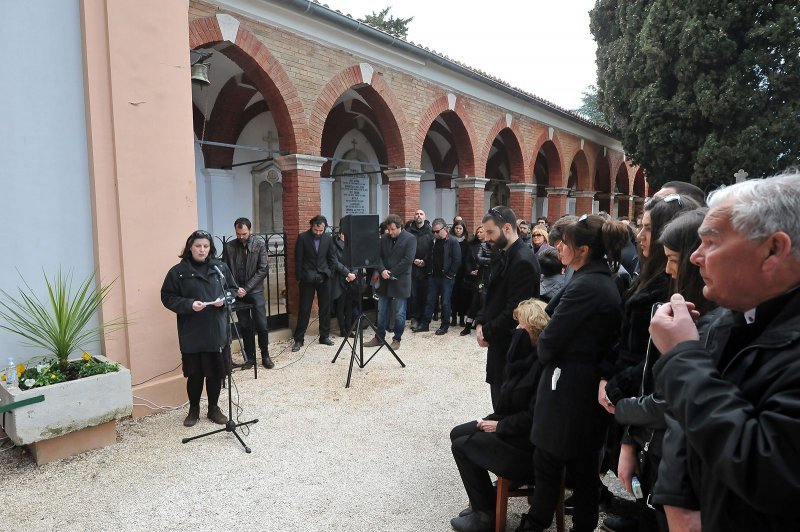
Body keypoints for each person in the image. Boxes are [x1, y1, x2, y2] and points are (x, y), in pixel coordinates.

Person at [649, 171, 800, 532]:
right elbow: (683, 421)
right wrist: (677, 499)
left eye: (711, 243)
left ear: (773, 250)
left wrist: (682, 358)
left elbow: (769, 469)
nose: (696, 258)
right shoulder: (728, 318)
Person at [518, 215, 629, 532]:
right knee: (576, 469)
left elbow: (548, 343)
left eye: (563, 243)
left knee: (565, 467)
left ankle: (537, 522)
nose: (557, 248)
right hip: (575, 381)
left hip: (573, 388)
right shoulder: (588, 277)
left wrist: (546, 345)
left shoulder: (589, 285)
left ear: (582, 249)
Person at [613, 208, 712, 532]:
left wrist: (623, 410)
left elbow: (672, 399)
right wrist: (631, 440)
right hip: (655, 447)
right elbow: (650, 375)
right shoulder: (676, 302)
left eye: (673, 258)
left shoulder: (710, 321)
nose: (669, 268)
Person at [449, 299, 549, 532]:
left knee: (462, 446)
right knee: (457, 433)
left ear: (532, 330)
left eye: (520, 326)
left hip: (528, 446)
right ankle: (483, 502)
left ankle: (485, 515)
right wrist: (494, 420)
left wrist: (499, 426)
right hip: (515, 427)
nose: (515, 331)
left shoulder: (543, 364)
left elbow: (534, 417)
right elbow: (508, 402)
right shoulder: (525, 356)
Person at [161, 230, 236, 427]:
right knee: (195, 374)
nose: (202, 250)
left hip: (216, 331)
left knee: (215, 372)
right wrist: (189, 305)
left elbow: (233, 290)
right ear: (190, 248)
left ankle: (213, 408)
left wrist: (225, 301)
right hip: (192, 331)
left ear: (210, 248)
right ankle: (193, 409)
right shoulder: (177, 272)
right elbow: (167, 297)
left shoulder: (220, 268)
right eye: (198, 246)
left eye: (206, 246)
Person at [474, 206, 539, 407]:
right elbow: (493, 294)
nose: (486, 238)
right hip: (500, 340)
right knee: (498, 392)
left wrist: (487, 331)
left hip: (511, 344)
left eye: (491, 232)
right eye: (485, 233)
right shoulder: (503, 253)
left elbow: (515, 310)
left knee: (506, 400)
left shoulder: (522, 261)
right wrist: (481, 321)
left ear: (508, 228)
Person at [292, 215, 350, 352]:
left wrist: (329, 273)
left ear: (325, 228)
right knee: (304, 309)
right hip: (307, 278)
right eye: (316, 230)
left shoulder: (328, 238)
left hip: (324, 277)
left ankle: (324, 336)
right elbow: (298, 259)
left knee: (325, 308)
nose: (318, 233)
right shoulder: (303, 238)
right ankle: (299, 339)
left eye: (321, 230)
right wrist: (300, 277)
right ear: (312, 226)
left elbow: (332, 258)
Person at [222, 217, 273, 370]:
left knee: (262, 324)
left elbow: (263, 269)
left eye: (244, 234)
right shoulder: (229, 246)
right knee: (245, 325)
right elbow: (226, 270)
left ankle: (265, 355)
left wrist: (248, 288)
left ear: (249, 230)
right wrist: (236, 288)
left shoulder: (259, 244)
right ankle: (250, 358)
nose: (241, 237)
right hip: (238, 292)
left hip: (255, 290)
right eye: (238, 234)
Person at [364, 214, 416, 350]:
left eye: (393, 229)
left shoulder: (410, 239)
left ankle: (397, 338)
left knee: (399, 313)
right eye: (389, 229)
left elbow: (408, 260)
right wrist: (382, 270)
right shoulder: (384, 239)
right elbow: (377, 256)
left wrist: (391, 273)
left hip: (400, 280)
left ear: (400, 227)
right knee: (381, 311)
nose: (390, 232)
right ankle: (379, 337)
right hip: (384, 279)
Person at [412, 218, 462, 335]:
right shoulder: (433, 241)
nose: (435, 233)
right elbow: (429, 256)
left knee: (445, 302)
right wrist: (424, 262)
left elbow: (457, 260)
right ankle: (425, 324)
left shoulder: (453, 242)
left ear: (444, 229)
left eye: (437, 231)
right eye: (433, 231)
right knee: (430, 300)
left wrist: (450, 275)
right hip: (434, 276)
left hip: (446, 277)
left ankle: (444, 325)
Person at [460, 225, 494, 336]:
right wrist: (492, 260)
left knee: (486, 303)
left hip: (492, 278)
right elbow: (479, 259)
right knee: (475, 302)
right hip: (480, 279)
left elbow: (500, 259)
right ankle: (468, 326)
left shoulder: (498, 246)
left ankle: (485, 327)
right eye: (478, 232)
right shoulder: (479, 246)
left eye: (481, 232)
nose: (479, 234)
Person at [406, 209, 433, 328]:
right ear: (414, 216)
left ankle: (423, 318)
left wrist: (425, 261)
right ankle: (414, 318)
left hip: (426, 268)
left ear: (425, 217)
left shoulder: (430, 232)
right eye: (417, 214)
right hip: (412, 267)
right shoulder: (408, 232)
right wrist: (413, 260)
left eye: (421, 214)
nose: (419, 216)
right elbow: (405, 249)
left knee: (425, 294)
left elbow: (432, 249)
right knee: (414, 294)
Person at [332, 228, 358, 337]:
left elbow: (356, 260)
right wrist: (348, 273)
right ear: (341, 234)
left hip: (351, 280)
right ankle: (343, 330)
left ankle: (349, 329)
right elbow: (335, 262)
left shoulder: (352, 245)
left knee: (349, 306)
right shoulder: (333, 245)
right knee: (341, 306)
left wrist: (354, 273)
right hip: (339, 279)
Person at [450, 220, 470, 328]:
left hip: (462, 273)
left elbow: (467, 259)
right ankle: (453, 317)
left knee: (462, 296)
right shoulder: (450, 241)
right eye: (456, 228)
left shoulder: (466, 243)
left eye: (460, 228)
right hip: (453, 272)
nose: (458, 230)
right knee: (453, 296)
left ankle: (461, 317)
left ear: (463, 230)